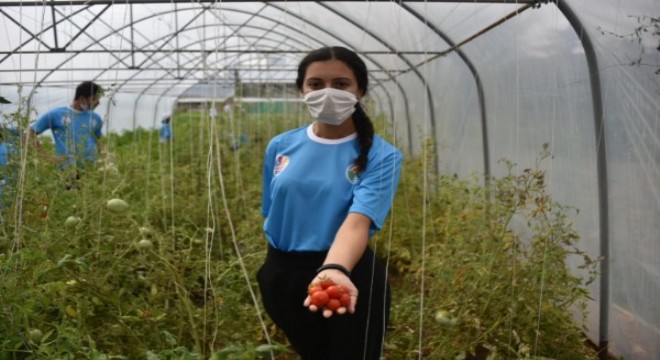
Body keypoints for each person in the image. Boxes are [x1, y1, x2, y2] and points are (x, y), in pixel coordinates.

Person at [257, 46, 403, 360]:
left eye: (341, 84)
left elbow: (357, 222)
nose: (327, 92)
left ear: (360, 90)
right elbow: (272, 210)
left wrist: (334, 269)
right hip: (282, 273)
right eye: (316, 84)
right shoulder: (281, 145)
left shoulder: (381, 155)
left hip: (344, 273)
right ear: (302, 90)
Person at [29, 81, 104, 188]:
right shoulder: (56, 114)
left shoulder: (95, 118)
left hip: (90, 171)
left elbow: (98, 139)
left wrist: (105, 154)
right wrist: (46, 157)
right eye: (94, 99)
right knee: (70, 201)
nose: (98, 103)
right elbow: (29, 134)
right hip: (67, 170)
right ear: (82, 98)